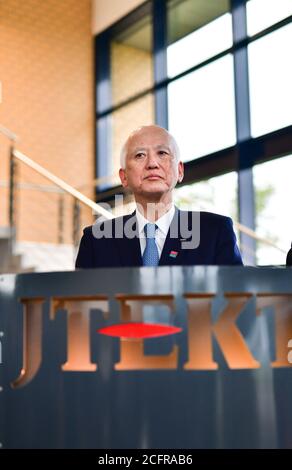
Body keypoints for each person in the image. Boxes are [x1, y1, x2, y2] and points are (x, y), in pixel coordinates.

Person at [75, 125, 243, 268]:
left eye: (162, 153)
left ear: (180, 171)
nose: (152, 164)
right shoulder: (96, 240)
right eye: (140, 155)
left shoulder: (215, 232)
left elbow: (237, 301)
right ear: (124, 176)